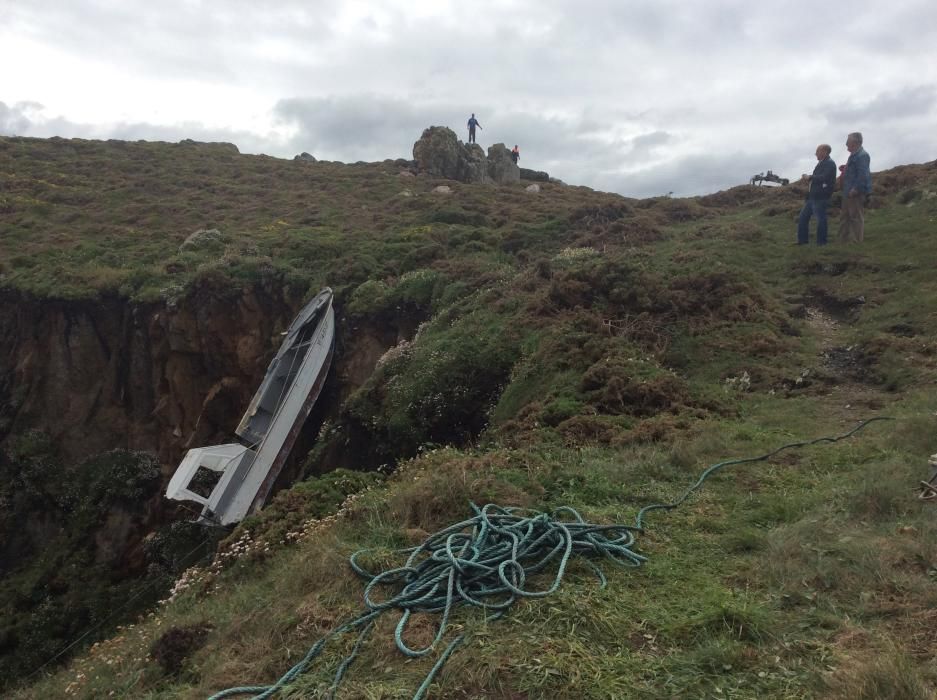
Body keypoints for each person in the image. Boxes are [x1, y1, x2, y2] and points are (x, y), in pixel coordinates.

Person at [796, 144, 836, 245]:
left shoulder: (830, 164)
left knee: (821, 219)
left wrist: (810, 177)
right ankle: (802, 241)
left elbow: (824, 177)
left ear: (824, 152)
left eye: (817, 151)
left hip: (821, 197)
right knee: (802, 218)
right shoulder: (822, 163)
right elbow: (819, 178)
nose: (816, 154)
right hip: (812, 197)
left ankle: (821, 243)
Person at [839, 132, 872, 243]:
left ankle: (856, 241)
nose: (846, 143)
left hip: (854, 192)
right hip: (847, 191)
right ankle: (843, 240)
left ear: (855, 142)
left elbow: (863, 174)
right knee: (845, 216)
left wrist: (856, 189)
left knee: (855, 217)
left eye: (848, 141)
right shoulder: (854, 155)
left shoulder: (862, 155)